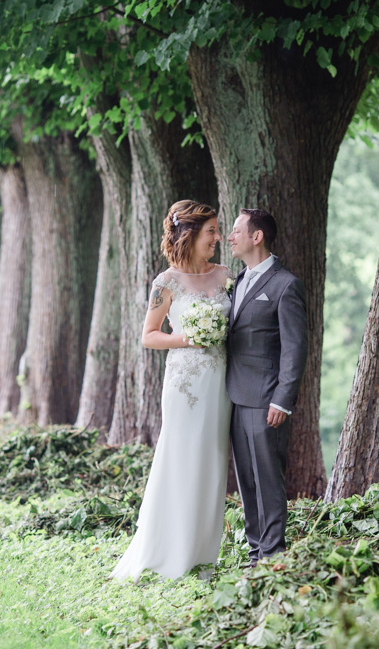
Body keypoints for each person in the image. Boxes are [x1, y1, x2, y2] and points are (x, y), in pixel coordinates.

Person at [110, 200, 234, 581]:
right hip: (185, 383)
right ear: (191, 234)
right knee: (181, 457)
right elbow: (148, 336)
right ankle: (167, 553)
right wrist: (189, 337)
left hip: (221, 383)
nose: (217, 237)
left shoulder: (227, 275)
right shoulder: (165, 282)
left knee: (212, 463)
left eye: (216, 230)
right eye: (211, 231)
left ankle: (202, 557)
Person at [225, 208, 308, 568]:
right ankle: (255, 550)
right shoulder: (236, 281)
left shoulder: (285, 285)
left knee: (268, 479)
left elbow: (295, 348)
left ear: (256, 237)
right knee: (246, 479)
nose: (230, 237)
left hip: (266, 399)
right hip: (233, 396)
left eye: (236, 231)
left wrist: (283, 400)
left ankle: (273, 554)